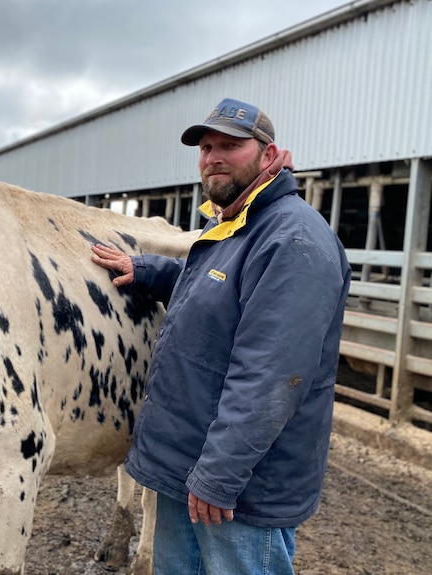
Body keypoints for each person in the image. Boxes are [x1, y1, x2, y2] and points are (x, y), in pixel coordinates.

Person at [91, 97, 351, 574]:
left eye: (230, 145)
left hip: (237, 487)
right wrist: (146, 269)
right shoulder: (232, 223)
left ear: (269, 156)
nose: (213, 156)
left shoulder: (292, 240)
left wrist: (218, 477)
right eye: (206, 146)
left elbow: (272, 376)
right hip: (187, 466)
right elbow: (212, 287)